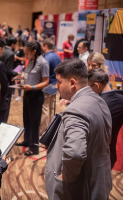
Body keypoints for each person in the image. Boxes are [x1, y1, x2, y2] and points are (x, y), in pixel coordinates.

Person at [46, 58, 112, 200]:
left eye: (59, 82)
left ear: (72, 82)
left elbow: (75, 153)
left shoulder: (75, 110)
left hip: (80, 188)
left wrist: (65, 178)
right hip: (100, 179)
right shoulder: (99, 99)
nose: (56, 86)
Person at [15, 41, 49, 156]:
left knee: (34, 122)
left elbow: (46, 82)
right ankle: (27, 141)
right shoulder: (31, 61)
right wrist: (20, 76)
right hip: (27, 93)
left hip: (36, 95)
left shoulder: (43, 63)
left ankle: (34, 148)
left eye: (27, 53)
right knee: (27, 119)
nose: (26, 56)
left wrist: (33, 87)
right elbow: (28, 74)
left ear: (34, 51)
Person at [88, 68, 123, 169]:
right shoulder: (121, 101)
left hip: (93, 156)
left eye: (89, 87)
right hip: (110, 155)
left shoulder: (94, 104)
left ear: (96, 85)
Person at [40, 38, 61, 135]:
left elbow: (44, 74)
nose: (41, 48)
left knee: (45, 109)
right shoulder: (57, 56)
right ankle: (51, 130)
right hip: (55, 85)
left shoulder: (46, 58)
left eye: (42, 46)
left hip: (47, 86)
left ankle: (42, 131)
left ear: (45, 46)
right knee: (52, 108)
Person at [0, 36, 20, 122]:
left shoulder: (1, 50)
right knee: (6, 104)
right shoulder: (10, 53)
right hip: (7, 82)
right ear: (13, 44)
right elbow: (8, 70)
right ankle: (4, 123)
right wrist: (17, 73)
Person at [13, 37, 25, 101]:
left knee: (18, 80)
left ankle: (20, 95)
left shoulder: (21, 50)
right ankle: (13, 93)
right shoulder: (14, 49)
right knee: (14, 79)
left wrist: (17, 57)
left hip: (19, 66)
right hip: (14, 66)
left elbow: (24, 59)